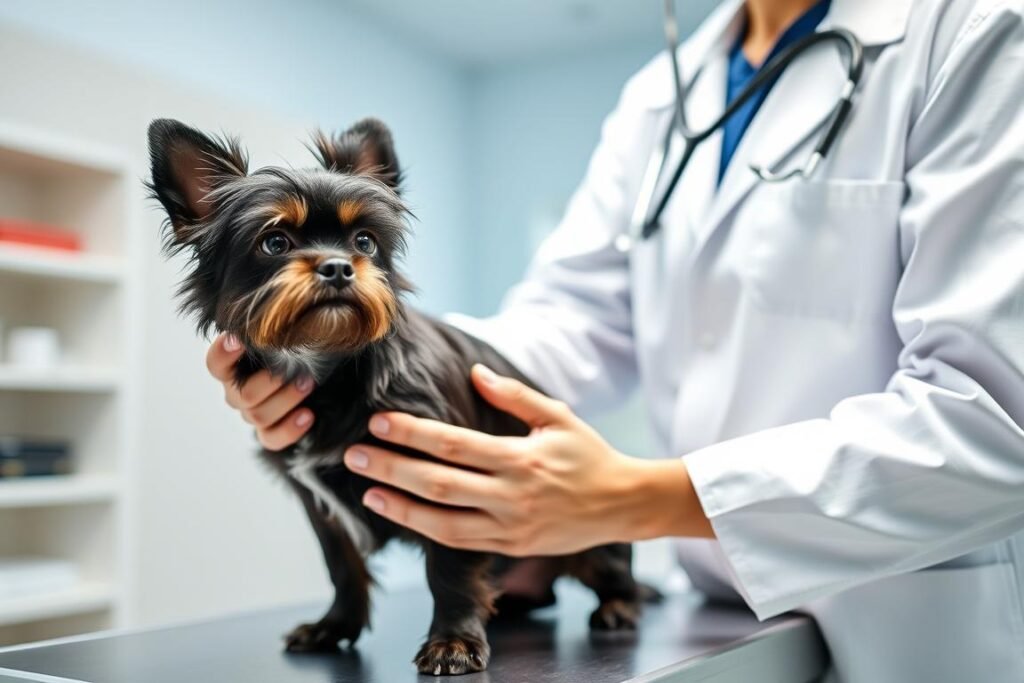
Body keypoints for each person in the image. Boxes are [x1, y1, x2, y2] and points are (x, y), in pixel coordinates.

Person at [205, 0, 1024, 680]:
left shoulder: (975, 31)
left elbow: (993, 417)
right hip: (715, 614)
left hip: (915, 617)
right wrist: (357, 363)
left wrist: (631, 497)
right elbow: (572, 320)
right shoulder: (660, 97)